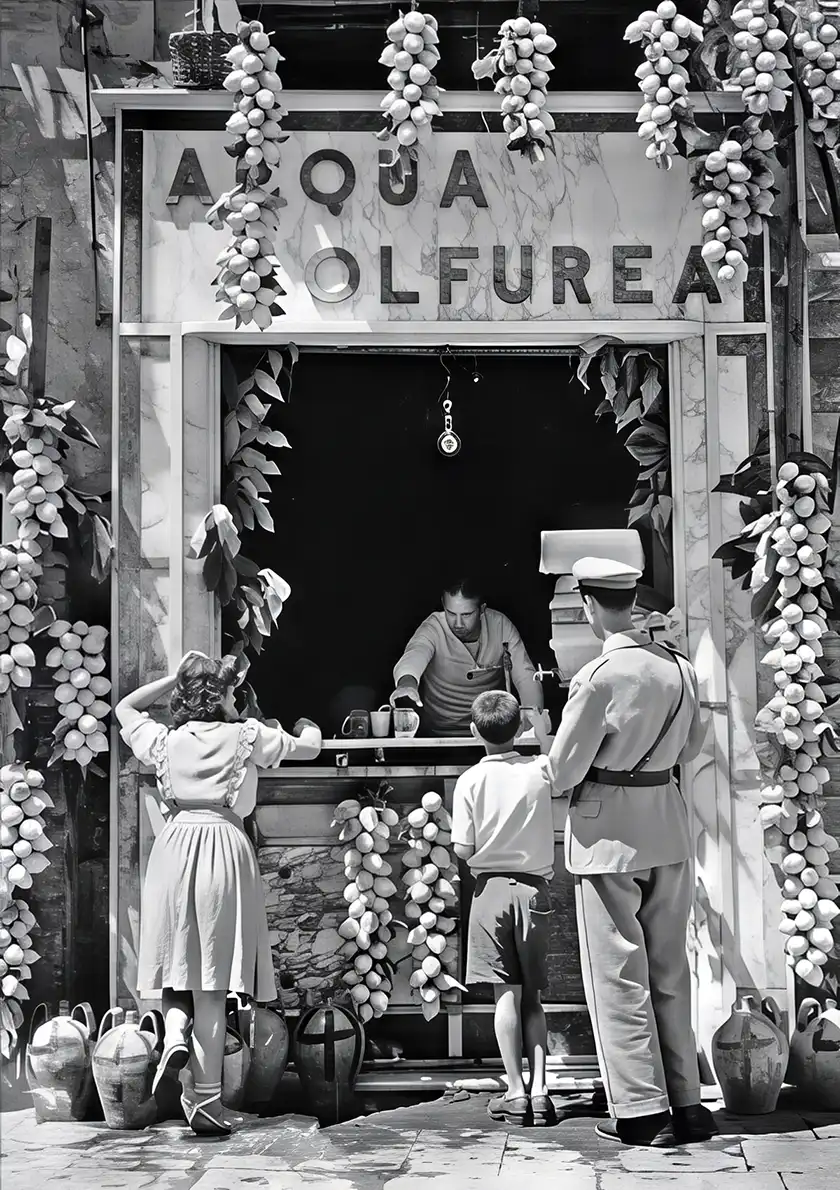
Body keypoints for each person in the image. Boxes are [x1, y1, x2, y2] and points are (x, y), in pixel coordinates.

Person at [115, 651, 322, 1136]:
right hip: (224, 850)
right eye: (229, 691)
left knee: (173, 969)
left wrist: (174, 676)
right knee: (211, 984)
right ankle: (205, 1103)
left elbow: (125, 708)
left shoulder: (166, 741)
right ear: (225, 696)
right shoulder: (248, 735)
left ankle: (172, 1032)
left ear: (184, 698)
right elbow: (308, 748)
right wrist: (309, 728)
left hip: (174, 847)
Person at [544, 558, 713, 1148]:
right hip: (667, 826)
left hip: (609, 833)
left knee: (619, 974)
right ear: (633, 600)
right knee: (670, 970)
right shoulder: (681, 669)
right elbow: (693, 746)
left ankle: (643, 1110)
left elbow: (564, 768)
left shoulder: (598, 676)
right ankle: (689, 1103)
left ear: (589, 604)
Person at [451, 689, 556, 1127]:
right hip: (535, 894)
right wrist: (545, 734)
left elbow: (462, 846)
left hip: (490, 893)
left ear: (475, 731)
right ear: (520, 729)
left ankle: (514, 1093)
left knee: (505, 996)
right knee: (533, 997)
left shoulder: (470, 781)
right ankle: (542, 1091)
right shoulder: (539, 770)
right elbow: (562, 761)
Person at [390, 579, 547, 737]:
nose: (458, 623)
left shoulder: (501, 626)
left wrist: (531, 726)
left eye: (466, 614)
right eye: (451, 613)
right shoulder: (433, 627)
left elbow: (526, 676)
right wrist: (407, 683)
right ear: (443, 604)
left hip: (493, 732)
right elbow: (415, 653)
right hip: (439, 734)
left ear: (482, 609)